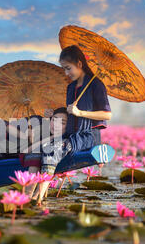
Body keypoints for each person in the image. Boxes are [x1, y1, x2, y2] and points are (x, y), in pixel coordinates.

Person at [34, 45, 112, 204]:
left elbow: (107, 115)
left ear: (80, 64)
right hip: (68, 135)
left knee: (52, 149)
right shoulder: (70, 87)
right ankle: (38, 191)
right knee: (39, 146)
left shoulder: (96, 85)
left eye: (68, 68)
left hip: (86, 136)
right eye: (64, 69)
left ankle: (37, 198)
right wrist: (54, 113)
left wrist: (80, 113)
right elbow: (68, 112)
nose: (66, 73)